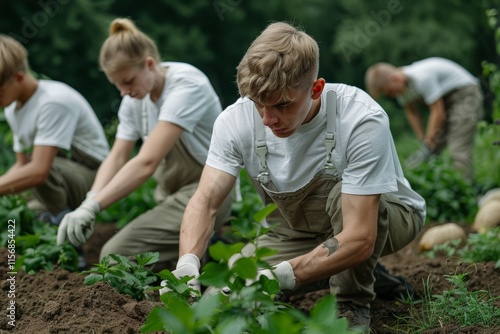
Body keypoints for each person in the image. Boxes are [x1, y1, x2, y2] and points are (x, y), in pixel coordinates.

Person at [166, 22, 426, 330]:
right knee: (227, 299)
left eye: (282, 105)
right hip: (294, 232)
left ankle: (351, 302)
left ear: (316, 88)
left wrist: (282, 275)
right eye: (258, 104)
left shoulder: (359, 119)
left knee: (343, 206)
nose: (268, 120)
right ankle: (354, 272)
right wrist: (187, 263)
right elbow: (206, 200)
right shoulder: (234, 122)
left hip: (388, 217)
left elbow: (359, 236)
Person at [56, 18, 233, 271]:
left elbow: (146, 162)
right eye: (117, 85)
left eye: (127, 81)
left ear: (149, 64)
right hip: (173, 197)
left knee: (115, 256)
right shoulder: (134, 99)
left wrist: (94, 208)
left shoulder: (186, 86)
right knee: (128, 257)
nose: (123, 92)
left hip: (208, 192)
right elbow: (117, 156)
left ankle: (207, 246)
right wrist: (90, 200)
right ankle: (205, 252)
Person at [0, 34, 109, 225]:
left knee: (39, 168)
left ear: (18, 77)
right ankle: (56, 217)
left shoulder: (52, 102)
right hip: (61, 176)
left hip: (94, 175)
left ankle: (69, 235)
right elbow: (22, 164)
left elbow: (39, 171)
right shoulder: (12, 109)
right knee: (21, 215)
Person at [364, 57, 484, 179]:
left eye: (390, 92)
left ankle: (465, 191)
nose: (393, 96)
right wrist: (423, 139)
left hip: (465, 95)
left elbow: (437, 111)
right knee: (432, 150)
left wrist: (429, 139)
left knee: (458, 147)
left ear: (394, 79)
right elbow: (412, 112)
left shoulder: (422, 77)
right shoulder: (402, 90)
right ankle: (432, 186)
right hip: (446, 102)